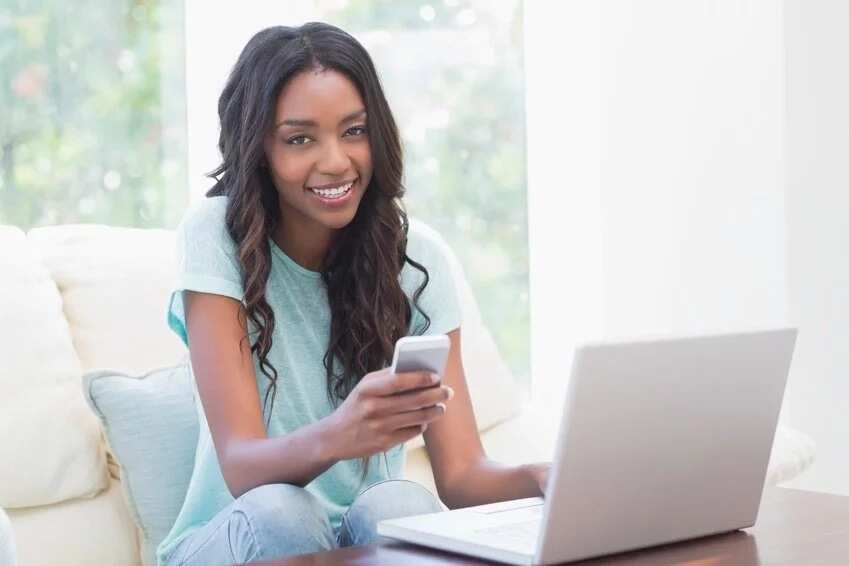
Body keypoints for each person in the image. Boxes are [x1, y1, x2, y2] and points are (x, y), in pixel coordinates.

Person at [157, 22, 550, 566]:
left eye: (354, 131)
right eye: (299, 139)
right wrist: (343, 433)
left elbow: (460, 477)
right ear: (259, 148)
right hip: (235, 537)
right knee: (283, 512)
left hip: (358, 540)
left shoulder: (418, 260)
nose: (336, 161)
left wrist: (543, 476)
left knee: (401, 502)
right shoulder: (215, 236)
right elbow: (242, 467)